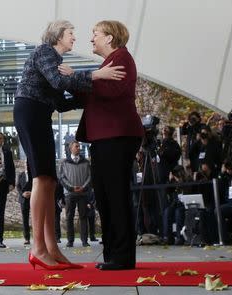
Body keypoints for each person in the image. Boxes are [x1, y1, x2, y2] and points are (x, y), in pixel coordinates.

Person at [13, 19, 125, 270]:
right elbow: (58, 82)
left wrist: (94, 98)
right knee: (41, 178)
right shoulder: (45, 52)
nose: (75, 38)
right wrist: (97, 74)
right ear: (57, 36)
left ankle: (52, 248)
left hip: (41, 114)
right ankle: (38, 248)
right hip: (30, 112)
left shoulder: (57, 61)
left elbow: (61, 103)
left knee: (50, 181)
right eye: (71, 33)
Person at [63, 20, 144, 270]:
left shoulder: (122, 58)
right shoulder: (107, 64)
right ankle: (112, 253)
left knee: (116, 196)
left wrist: (75, 77)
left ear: (109, 38)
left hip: (117, 136)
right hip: (104, 137)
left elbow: (109, 92)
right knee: (105, 196)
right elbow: (91, 92)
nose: (91, 39)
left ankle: (122, 257)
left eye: (95, 34)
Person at [59, 141, 91, 248]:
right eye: (76, 146)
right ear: (70, 148)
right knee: (69, 217)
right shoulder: (64, 162)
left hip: (83, 193)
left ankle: (84, 241)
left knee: (83, 216)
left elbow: (90, 177)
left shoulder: (86, 162)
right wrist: (72, 188)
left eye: (79, 146)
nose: (79, 148)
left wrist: (83, 187)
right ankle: (70, 241)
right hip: (69, 194)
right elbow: (62, 178)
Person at [16, 160, 32, 245]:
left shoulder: (34, 175)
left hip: (33, 198)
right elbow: (18, 186)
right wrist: (23, 193)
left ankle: (38, 238)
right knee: (25, 219)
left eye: (28, 163)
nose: (27, 164)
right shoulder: (21, 175)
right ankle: (27, 238)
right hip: (23, 199)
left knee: (36, 219)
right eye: (26, 163)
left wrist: (32, 193)